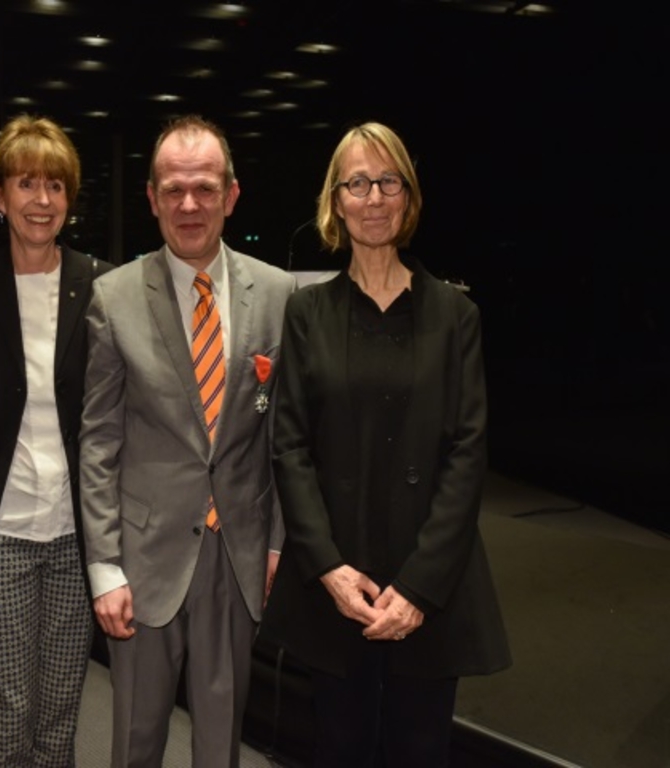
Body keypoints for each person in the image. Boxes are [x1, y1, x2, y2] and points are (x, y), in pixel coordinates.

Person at [261, 121, 511, 767]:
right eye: (358, 183)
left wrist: (420, 588)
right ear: (335, 201)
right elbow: (289, 447)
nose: (374, 197)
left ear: (408, 196)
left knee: (420, 752)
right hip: (337, 580)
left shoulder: (457, 316)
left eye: (388, 182)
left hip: (427, 584)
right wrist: (328, 571)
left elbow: (467, 453)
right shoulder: (307, 312)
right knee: (337, 749)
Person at [80, 114, 295, 768]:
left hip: (238, 556)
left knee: (220, 742)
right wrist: (105, 566)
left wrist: (279, 540)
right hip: (142, 562)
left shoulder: (280, 295)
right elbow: (98, 443)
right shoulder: (113, 298)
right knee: (137, 742)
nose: (189, 204)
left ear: (231, 195)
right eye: (173, 189)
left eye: (204, 188)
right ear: (151, 198)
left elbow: (285, 435)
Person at [0, 115, 112, 767]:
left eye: (56, 186)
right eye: (27, 182)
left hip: (74, 541)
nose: (42, 199)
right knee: (7, 734)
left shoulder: (101, 286)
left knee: (59, 727)